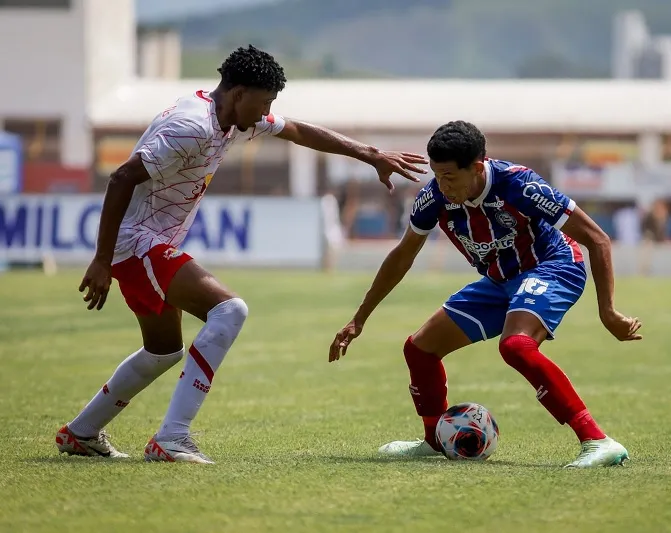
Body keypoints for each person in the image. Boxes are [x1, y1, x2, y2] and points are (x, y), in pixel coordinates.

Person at [56, 45, 428, 464]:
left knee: (163, 351)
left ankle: (81, 433)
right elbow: (122, 176)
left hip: (147, 244)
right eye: (265, 101)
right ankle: (172, 438)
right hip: (137, 242)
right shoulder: (192, 127)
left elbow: (299, 131)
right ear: (238, 92)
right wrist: (103, 258)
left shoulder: (231, 119)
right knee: (229, 310)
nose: (268, 111)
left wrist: (371, 154)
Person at [329, 120, 642, 468]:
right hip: (499, 281)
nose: (442, 185)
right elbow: (402, 256)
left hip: (553, 266)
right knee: (419, 349)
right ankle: (434, 441)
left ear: (477, 168)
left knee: (516, 346)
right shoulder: (433, 197)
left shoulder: (519, 185)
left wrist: (608, 312)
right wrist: (359, 319)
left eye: (450, 176)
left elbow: (597, 238)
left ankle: (598, 441)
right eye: (436, 175)